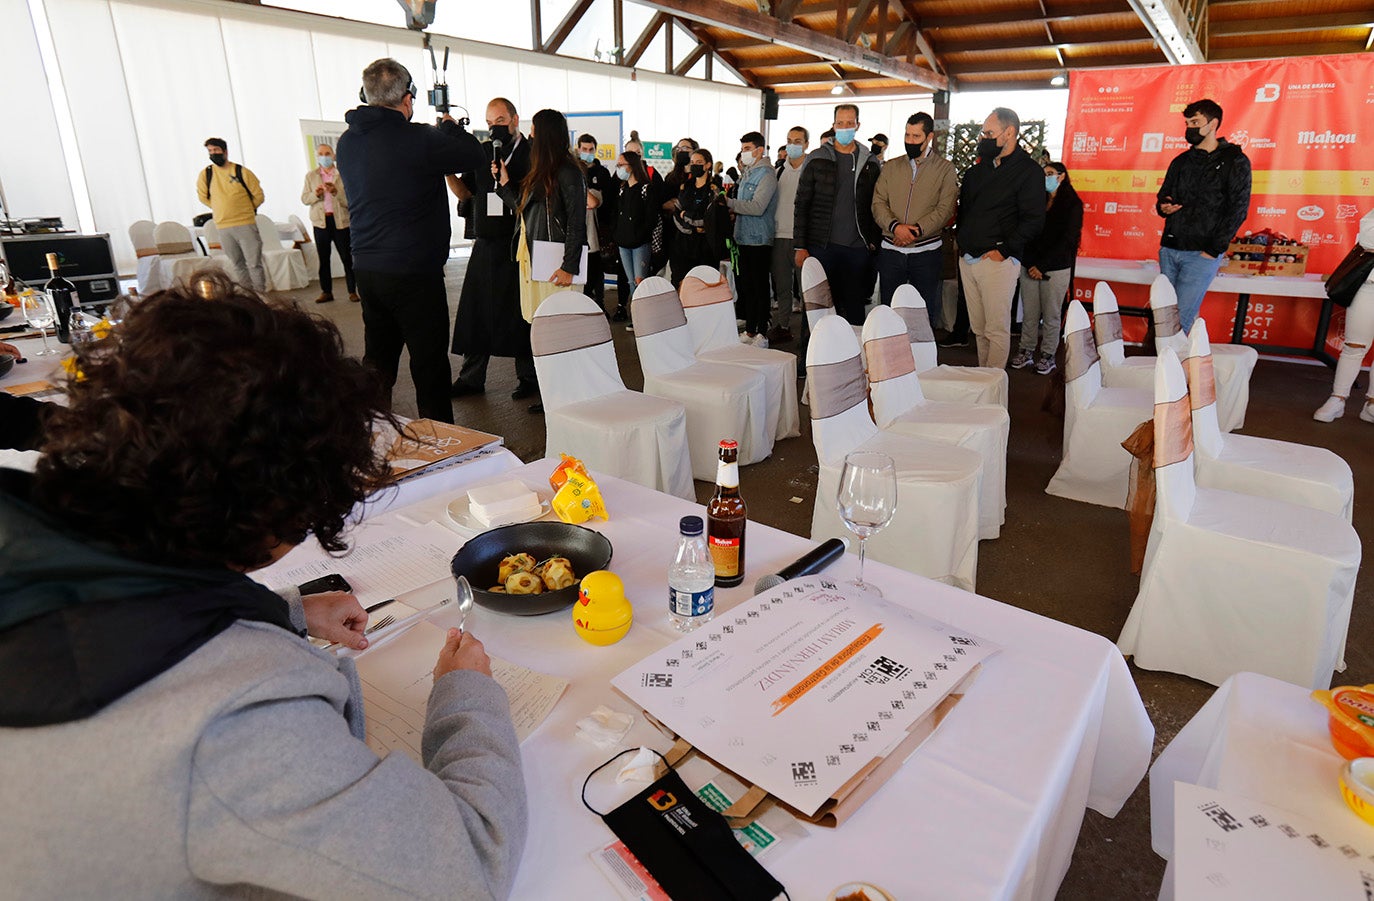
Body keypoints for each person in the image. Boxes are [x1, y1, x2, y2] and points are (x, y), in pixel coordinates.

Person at [0, 273, 527, 897]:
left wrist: (284, 613)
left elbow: (117, 610)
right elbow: (468, 868)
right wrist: (467, 698)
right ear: (283, 504)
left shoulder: (40, 534)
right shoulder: (234, 725)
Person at [336, 58, 486, 423]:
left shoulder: (347, 142)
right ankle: (442, 447)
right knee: (429, 363)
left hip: (368, 269)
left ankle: (372, 437)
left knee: (378, 361)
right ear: (407, 99)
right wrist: (450, 128)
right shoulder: (419, 138)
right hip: (415, 272)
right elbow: (474, 155)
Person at [494, 108, 587, 414]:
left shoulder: (568, 172)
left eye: (533, 129)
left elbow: (577, 222)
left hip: (556, 265)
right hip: (534, 260)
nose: (530, 134)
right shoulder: (541, 171)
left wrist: (570, 266)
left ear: (543, 134)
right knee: (543, 331)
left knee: (560, 333)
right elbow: (522, 209)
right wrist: (503, 183)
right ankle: (553, 395)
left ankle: (566, 397)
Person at [449, 98, 539, 402]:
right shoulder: (483, 152)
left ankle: (528, 377)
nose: (494, 127)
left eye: (500, 120)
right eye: (489, 122)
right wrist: (447, 173)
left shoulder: (531, 155)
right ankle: (471, 376)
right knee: (476, 310)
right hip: (486, 242)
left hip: (519, 244)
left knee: (519, 312)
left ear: (515, 119)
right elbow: (467, 192)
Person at [956, 107, 1046, 369]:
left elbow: (1034, 220)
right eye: (983, 133)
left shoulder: (1029, 172)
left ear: (1009, 133)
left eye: (989, 133)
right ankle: (983, 384)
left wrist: (1004, 251)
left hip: (998, 261)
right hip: (969, 258)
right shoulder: (977, 172)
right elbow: (965, 213)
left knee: (996, 331)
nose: (984, 138)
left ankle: (992, 391)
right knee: (979, 330)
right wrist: (962, 246)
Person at [1156, 98, 1252, 332]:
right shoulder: (1180, 161)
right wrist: (1164, 206)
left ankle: (1169, 367)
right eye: (1187, 122)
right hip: (1170, 248)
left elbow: (1238, 208)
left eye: (1195, 122)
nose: (1190, 128)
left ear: (1213, 124)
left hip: (1202, 253)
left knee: (1179, 322)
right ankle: (1176, 365)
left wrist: (1213, 249)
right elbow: (1164, 196)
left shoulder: (1235, 161)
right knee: (1164, 316)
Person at [793, 103, 882, 325]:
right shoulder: (816, 158)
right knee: (817, 309)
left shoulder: (869, 162)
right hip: (821, 247)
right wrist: (800, 245)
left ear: (857, 125)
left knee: (854, 310)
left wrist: (872, 243)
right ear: (833, 126)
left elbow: (876, 205)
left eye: (849, 123)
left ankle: (855, 357)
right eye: (840, 123)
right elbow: (802, 203)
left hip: (856, 249)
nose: (845, 127)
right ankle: (812, 357)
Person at [872, 112, 957, 322]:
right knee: (890, 312)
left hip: (926, 252)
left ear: (929, 137)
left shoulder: (945, 169)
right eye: (907, 135)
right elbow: (878, 202)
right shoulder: (891, 167)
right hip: (892, 251)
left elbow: (945, 208)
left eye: (916, 136)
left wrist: (916, 231)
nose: (909, 141)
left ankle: (921, 355)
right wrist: (895, 227)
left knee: (923, 313)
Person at [1012, 161, 1083, 375]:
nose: (1046, 178)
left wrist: (1042, 265)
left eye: (1050, 174)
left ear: (1061, 176)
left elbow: (1068, 240)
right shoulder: (1036, 201)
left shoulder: (1072, 204)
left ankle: (1048, 355)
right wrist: (1032, 263)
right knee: (1030, 314)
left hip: (1056, 267)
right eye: (1044, 174)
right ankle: (1026, 350)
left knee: (1051, 315)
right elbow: (1027, 231)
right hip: (1030, 265)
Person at [1314, 208, 1374, 424]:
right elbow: (1368, 239)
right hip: (1368, 286)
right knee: (1354, 345)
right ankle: (1337, 399)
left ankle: (1372, 405)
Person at [728, 131, 779, 346]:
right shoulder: (746, 173)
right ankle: (749, 329)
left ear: (759, 150)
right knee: (746, 286)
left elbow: (758, 207)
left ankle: (761, 331)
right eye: (742, 149)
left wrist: (729, 205)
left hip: (758, 239)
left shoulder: (766, 174)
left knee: (759, 287)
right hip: (742, 237)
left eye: (747, 149)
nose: (744, 153)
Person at [196, 137, 266, 292]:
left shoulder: (241, 171)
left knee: (254, 263)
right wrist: (219, 208)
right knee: (237, 264)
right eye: (210, 151)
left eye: (216, 150)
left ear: (225, 152)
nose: (213, 154)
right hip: (223, 226)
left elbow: (258, 195)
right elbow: (203, 196)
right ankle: (247, 296)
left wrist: (245, 209)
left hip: (245, 223)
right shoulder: (206, 174)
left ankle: (261, 296)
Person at [300, 143, 358, 304]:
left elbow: (350, 201)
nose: (324, 156)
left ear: (333, 156)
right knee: (323, 258)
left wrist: (335, 192)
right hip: (321, 222)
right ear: (317, 156)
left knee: (347, 257)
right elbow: (305, 199)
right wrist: (315, 194)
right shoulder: (311, 176)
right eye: (321, 154)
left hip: (341, 221)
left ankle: (352, 290)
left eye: (327, 153)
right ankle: (326, 292)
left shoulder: (343, 175)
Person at [669, 148, 726, 289]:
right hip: (683, 244)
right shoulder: (685, 187)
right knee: (681, 284)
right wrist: (690, 227)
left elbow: (709, 219)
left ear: (708, 165)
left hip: (706, 246)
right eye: (692, 162)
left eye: (699, 162)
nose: (694, 165)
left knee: (705, 287)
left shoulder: (714, 190)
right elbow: (677, 213)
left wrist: (687, 216)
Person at [773, 126, 809, 319]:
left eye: (797, 141)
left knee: (806, 289)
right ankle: (783, 325)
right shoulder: (778, 172)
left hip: (802, 239)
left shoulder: (811, 171)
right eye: (789, 140)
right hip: (779, 236)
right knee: (782, 287)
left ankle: (809, 330)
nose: (793, 145)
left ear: (806, 144)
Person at [576, 134, 614, 311]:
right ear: (578, 149)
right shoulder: (571, 170)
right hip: (575, 236)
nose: (587, 153)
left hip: (596, 234)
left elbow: (595, 202)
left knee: (597, 273)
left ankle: (600, 306)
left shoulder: (602, 173)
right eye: (584, 149)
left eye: (591, 149)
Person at [613, 151, 655, 293]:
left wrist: (641, 235)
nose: (618, 168)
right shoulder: (622, 189)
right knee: (631, 282)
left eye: (621, 164)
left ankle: (643, 312)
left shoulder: (646, 189)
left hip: (640, 244)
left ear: (632, 166)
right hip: (623, 243)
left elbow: (651, 219)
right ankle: (634, 311)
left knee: (640, 281)